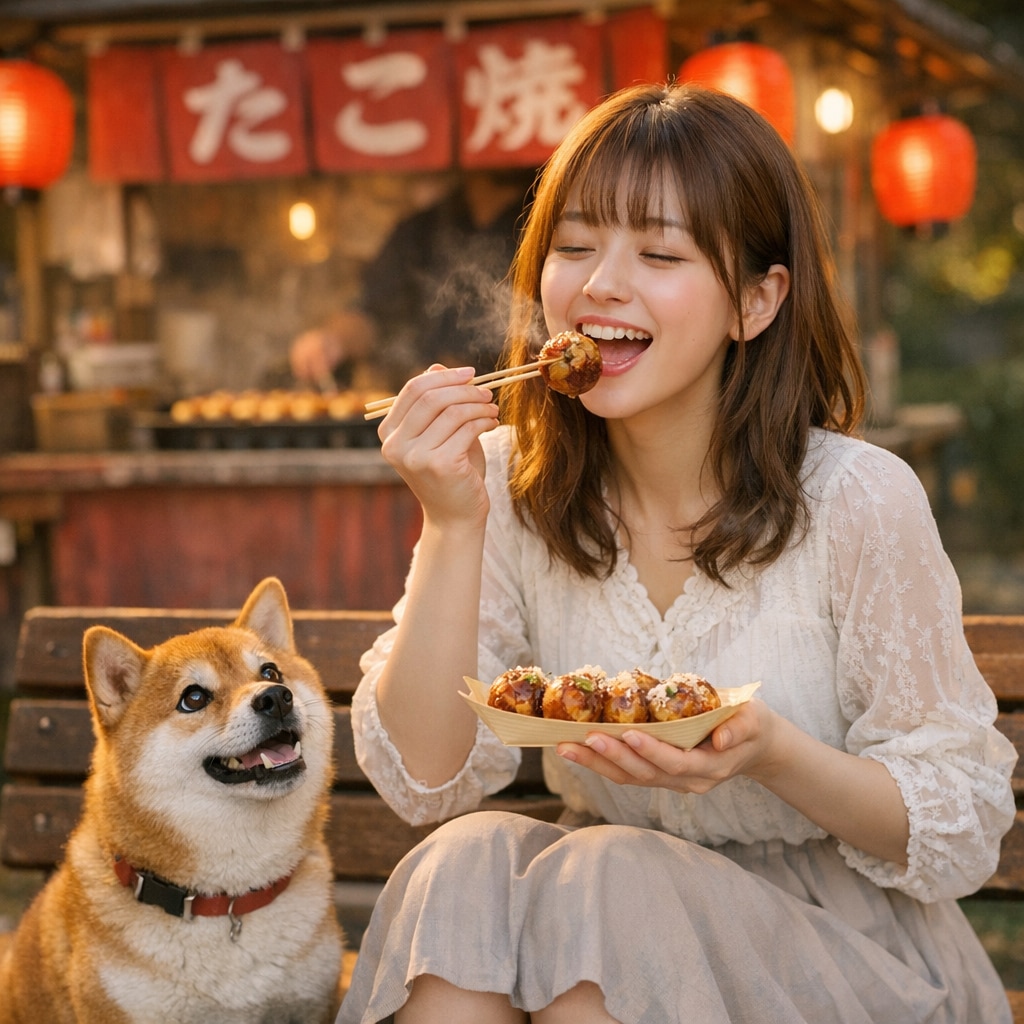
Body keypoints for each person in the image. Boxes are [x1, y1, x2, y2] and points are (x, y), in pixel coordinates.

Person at [337, 83, 1017, 1024]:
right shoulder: (503, 483)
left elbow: (959, 824)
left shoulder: (857, 500)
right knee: (467, 860)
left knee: (608, 881)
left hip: (838, 953)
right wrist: (452, 524)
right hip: (592, 921)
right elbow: (426, 778)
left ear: (755, 300)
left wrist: (773, 755)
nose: (601, 283)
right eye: (574, 247)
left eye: (658, 253)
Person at [289, 169, 534, 391]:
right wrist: (334, 341)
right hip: (429, 408)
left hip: (523, 408)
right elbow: (371, 310)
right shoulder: (422, 229)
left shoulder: (544, 225)